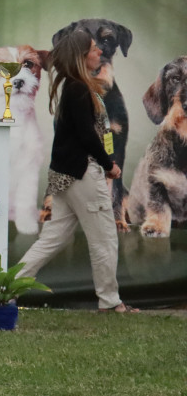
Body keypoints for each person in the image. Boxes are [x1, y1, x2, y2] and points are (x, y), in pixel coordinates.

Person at [16, 29, 138, 312]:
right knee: (105, 238)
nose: (100, 53)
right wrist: (109, 165)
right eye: (94, 49)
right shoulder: (79, 88)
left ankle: (5, 290)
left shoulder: (74, 86)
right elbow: (86, 135)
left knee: (53, 238)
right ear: (83, 57)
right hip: (83, 174)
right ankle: (110, 301)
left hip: (64, 175)